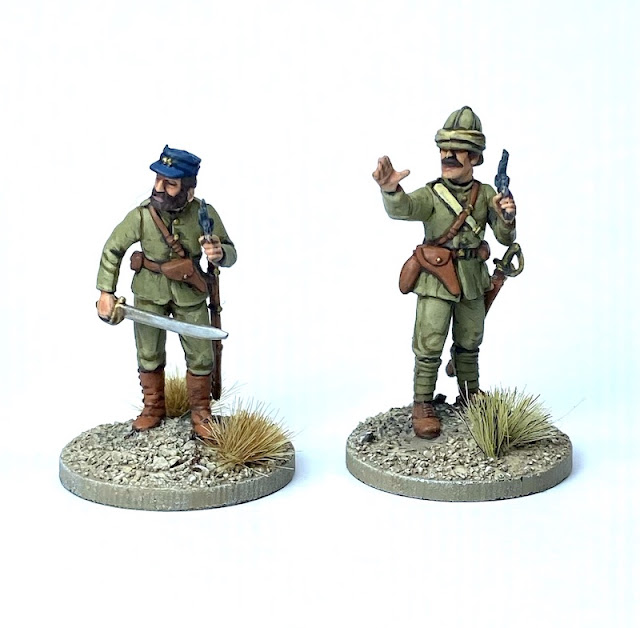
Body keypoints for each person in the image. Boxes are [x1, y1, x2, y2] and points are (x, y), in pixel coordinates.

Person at [372, 106, 516, 439]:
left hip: (472, 278)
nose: (447, 156)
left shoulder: (486, 195)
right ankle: (423, 402)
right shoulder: (431, 194)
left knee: (470, 339)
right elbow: (405, 209)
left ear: (475, 157)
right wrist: (390, 190)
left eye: (458, 150)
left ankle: (470, 394)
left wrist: (507, 217)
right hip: (436, 279)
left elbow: (505, 238)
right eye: (444, 149)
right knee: (430, 341)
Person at [96, 146, 237, 437]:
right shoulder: (142, 216)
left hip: (190, 292)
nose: (159, 188)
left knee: (201, 354)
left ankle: (201, 411)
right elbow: (113, 249)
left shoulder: (204, 214)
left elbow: (230, 252)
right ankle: (152, 407)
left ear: (188, 190)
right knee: (148, 353)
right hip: (149, 293)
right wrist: (105, 292)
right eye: (158, 180)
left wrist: (219, 253)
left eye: (170, 183)